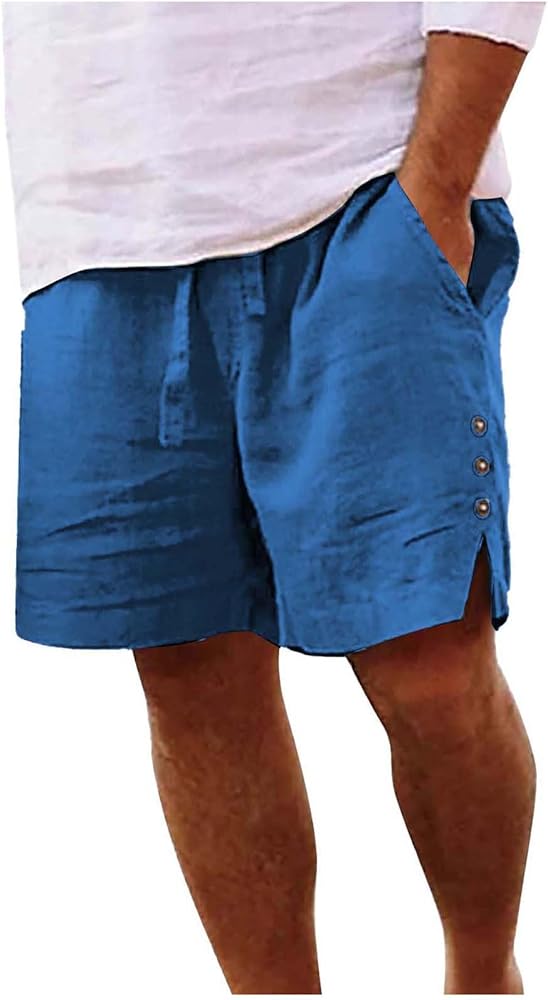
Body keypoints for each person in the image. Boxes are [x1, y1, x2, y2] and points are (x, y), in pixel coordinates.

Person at [2, 1, 545, 994]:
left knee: (427, 657)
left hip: (360, 179)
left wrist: (437, 181)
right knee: (190, 673)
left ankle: (483, 979)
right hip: (98, 215)